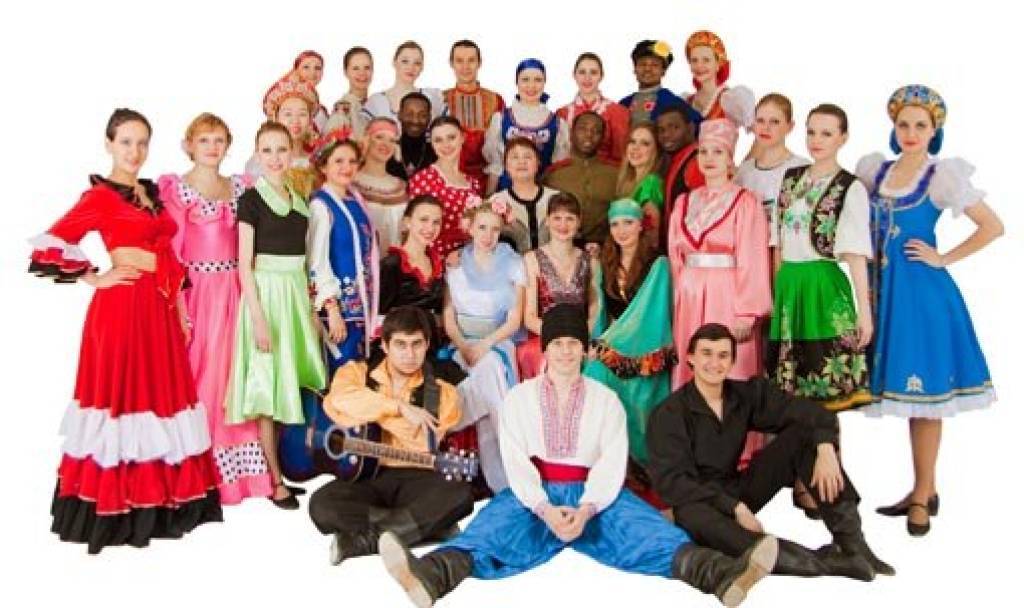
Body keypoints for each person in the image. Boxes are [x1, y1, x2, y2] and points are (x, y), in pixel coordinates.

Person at [378, 305, 779, 608]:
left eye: (573, 344)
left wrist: (587, 509)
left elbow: (611, 461)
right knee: (491, 529)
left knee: (650, 532)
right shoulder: (519, 398)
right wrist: (544, 508)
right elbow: (515, 460)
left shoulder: (606, 400)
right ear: (546, 349)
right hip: (535, 496)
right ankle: (431, 576)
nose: (566, 352)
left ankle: (721, 576)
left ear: (585, 351)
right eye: (558, 344)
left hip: (596, 496)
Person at [29, 108, 221, 553]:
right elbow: (52, 242)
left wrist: (180, 309)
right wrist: (95, 277)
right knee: (122, 400)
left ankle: (161, 505)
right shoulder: (100, 197)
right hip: (122, 310)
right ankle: (117, 510)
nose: (135, 152)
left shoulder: (149, 193)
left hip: (159, 311)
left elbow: (169, 258)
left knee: (161, 400)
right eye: (126, 142)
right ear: (109, 144)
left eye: (142, 143)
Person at [856, 85, 1001, 536]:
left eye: (921, 125)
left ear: (935, 129)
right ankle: (925, 487)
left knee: (924, 401)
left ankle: (922, 493)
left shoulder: (941, 176)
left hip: (922, 298)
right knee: (905, 396)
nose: (911, 132)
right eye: (904, 124)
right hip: (882, 295)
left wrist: (944, 257)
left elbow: (992, 226)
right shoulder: (875, 171)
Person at [647, 323, 894, 581]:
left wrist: (825, 447)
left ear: (732, 361)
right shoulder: (669, 414)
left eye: (723, 355)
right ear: (690, 358)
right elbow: (673, 483)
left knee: (804, 436)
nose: (714, 363)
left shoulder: (744, 395)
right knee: (692, 516)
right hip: (700, 502)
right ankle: (828, 563)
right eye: (706, 354)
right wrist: (734, 507)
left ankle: (853, 545)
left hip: (736, 489)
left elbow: (811, 413)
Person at [158, 113, 272, 505]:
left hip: (237, 289)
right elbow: (171, 253)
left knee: (234, 376)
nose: (212, 147)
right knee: (201, 374)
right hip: (199, 292)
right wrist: (177, 305)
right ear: (189, 145)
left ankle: (241, 474)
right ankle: (197, 470)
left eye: (219, 140)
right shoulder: (179, 191)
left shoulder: (241, 187)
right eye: (204, 140)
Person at [307, 306, 475, 566]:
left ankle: (364, 542)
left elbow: (420, 443)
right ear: (385, 346)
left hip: (417, 475)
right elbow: (336, 403)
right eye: (400, 345)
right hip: (366, 476)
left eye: (416, 344)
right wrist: (399, 408)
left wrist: (368, 412)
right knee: (322, 505)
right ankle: (419, 527)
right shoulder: (355, 373)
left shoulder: (444, 393)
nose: (409, 354)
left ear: (427, 345)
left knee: (460, 495)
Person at [225, 121, 327, 510]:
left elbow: (303, 261)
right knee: (268, 389)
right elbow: (243, 264)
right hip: (266, 297)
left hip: (294, 297)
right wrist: (257, 318)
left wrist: (311, 309)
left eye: (281, 149)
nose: (274, 158)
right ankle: (275, 481)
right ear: (256, 154)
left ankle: (282, 466)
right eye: (266, 150)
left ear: (291, 152)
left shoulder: (300, 199)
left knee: (289, 382)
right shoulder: (252, 200)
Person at [768, 104, 872, 411]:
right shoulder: (790, 179)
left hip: (823, 285)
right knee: (791, 387)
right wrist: (776, 291)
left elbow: (855, 254)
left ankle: (828, 443)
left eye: (826, 133)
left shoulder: (849, 187)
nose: (816, 140)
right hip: (789, 285)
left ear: (843, 138)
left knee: (825, 376)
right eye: (811, 132)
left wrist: (864, 312)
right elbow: (778, 242)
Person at [668, 118, 771, 390]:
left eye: (718, 151)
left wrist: (747, 313)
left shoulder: (745, 201)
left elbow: (752, 258)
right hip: (689, 295)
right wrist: (678, 296)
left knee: (727, 362)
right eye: (703, 151)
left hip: (726, 293)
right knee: (692, 358)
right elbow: (676, 257)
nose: (709, 158)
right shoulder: (684, 202)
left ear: (729, 158)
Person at [584, 198, 674, 504]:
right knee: (593, 372)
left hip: (645, 351)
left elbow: (649, 314)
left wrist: (609, 346)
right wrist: (597, 343)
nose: (621, 230)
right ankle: (612, 462)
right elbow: (601, 313)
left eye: (628, 223)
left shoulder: (657, 264)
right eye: (615, 224)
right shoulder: (605, 263)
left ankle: (642, 465)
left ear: (640, 226)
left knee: (637, 393)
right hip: (614, 348)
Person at [442, 196, 526, 492]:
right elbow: (448, 315)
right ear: (470, 228)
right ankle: (501, 476)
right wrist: (463, 345)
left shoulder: (514, 264)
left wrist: (485, 345)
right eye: (482, 227)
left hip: (497, 341)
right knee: (479, 376)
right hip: (461, 343)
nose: (488, 236)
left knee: (489, 368)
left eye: (494, 229)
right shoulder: (455, 263)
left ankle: (504, 472)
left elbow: (514, 320)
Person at [307, 128, 380, 371]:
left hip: (361, 309)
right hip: (338, 311)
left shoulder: (357, 203)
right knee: (341, 374)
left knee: (359, 373)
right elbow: (316, 261)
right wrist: (332, 308)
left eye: (352, 161)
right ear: (323, 166)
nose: (346, 167)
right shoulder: (321, 206)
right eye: (338, 161)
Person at [518, 193, 597, 379]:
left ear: (579, 222)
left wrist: (578, 339)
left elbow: (595, 311)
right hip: (544, 336)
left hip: (580, 338)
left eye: (570, 218)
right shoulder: (532, 259)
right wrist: (559, 338)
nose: (563, 225)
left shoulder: (591, 261)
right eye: (557, 218)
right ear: (547, 221)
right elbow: (529, 317)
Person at [482, 58, 570, 194]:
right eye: (525, 79)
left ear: (545, 82)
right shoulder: (500, 119)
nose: (531, 86)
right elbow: (495, 166)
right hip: (506, 192)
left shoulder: (558, 124)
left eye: (538, 80)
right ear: (516, 82)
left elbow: (559, 171)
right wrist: (488, 197)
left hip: (543, 193)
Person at [543, 111, 619, 253]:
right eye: (583, 129)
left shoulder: (615, 174)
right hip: (561, 249)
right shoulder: (553, 174)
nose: (589, 135)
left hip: (604, 250)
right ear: (572, 133)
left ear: (603, 137)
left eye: (596, 131)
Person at [408, 116, 482, 259]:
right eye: (438, 140)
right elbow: (414, 229)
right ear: (432, 144)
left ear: (462, 138)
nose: (445, 145)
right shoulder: (423, 179)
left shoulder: (473, 183)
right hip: (436, 259)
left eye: (451, 137)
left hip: (468, 258)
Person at [444, 39, 505, 192]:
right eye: (459, 61)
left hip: (488, 179)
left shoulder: (495, 99)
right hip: (449, 179)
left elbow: (500, 145)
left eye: (471, 60)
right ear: (451, 63)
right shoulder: (441, 99)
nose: (465, 67)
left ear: (479, 63)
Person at [251, 76, 320, 197]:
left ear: (310, 120)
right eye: (288, 114)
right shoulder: (260, 163)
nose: (295, 121)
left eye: (302, 114)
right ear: (276, 118)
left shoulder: (318, 161)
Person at [490, 136, 561, 252]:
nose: (521, 162)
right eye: (515, 157)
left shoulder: (556, 198)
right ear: (506, 166)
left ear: (538, 163)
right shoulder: (495, 201)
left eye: (527, 157)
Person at [557, 52, 630, 164]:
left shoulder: (618, 112)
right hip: (569, 172)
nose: (587, 78)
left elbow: (622, 156)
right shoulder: (562, 113)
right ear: (574, 75)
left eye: (593, 72)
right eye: (582, 72)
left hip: (605, 172)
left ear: (601, 76)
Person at [353, 117, 409, 250]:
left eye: (392, 140)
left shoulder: (401, 186)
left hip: (395, 260)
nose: (386, 144)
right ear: (367, 140)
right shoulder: (350, 182)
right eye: (379, 137)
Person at [682, 31, 755, 132]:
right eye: (694, 60)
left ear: (718, 64)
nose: (699, 66)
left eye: (706, 60)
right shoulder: (686, 101)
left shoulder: (731, 99)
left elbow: (757, 130)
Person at [362, 41, 445, 127]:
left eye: (417, 63)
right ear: (394, 62)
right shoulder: (376, 101)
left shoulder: (432, 96)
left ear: (422, 67)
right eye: (405, 61)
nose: (411, 67)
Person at [619, 40, 699, 127]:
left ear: (663, 71)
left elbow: (699, 125)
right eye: (642, 64)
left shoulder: (672, 102)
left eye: (654, 65)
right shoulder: (624, 104)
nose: (647, 69)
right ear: (635, 69)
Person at [657, 104, 704, 251]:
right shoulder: (675, 159)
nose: (666, 135)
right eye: (661, 130)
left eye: (674, 127)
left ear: (690, 128)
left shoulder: (698, 161)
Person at [617, 122, 665, 247]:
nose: (635, 148)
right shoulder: (627, 182)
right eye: (632, 142)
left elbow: (652, 237)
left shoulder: (651, 183)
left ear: (656, 151)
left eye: (645, 143)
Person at [389, 92, 439, 180]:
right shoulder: (387, 151)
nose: (415, 121)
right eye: (409, 114)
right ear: (399, 115)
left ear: (429, 118)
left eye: (422, 115)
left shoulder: (438, 152)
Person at [326, 46, 373, 137]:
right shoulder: (343, 109)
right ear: (346, 72)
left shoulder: (376, 104)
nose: (362, 73)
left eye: (367, 68)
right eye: (355, 68)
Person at [290, 50, 330, 132]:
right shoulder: (289, 102)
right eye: (306, 67)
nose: (312, 72)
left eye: (317, 68)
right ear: (295, 71)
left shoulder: (321, 107)